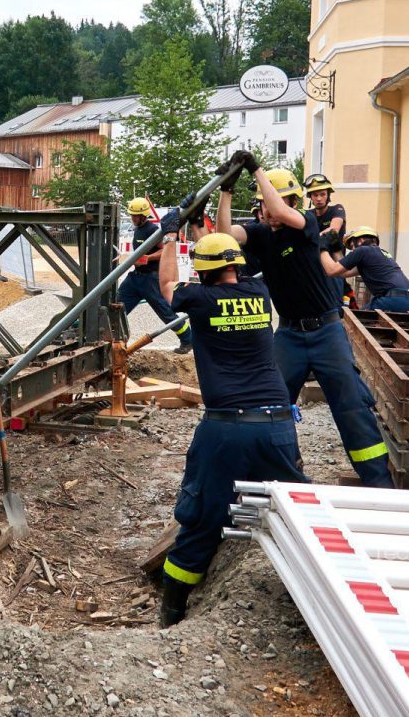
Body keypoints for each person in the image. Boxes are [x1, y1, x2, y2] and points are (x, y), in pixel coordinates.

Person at [155, 180, 308, 627]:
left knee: (202, 515)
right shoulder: (258, 294)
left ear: (201, 273)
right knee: (295, 504)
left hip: (226, 429)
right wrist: (205, 225)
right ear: (237, 268)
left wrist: (169, 235)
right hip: (278, 422)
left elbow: (166, 283)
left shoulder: (198, 299)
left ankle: (173, 614)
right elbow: (218, 255)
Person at [216, 151, 393, 489]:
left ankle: (379, 482)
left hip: (326, 330)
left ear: (293, 201)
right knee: (271, 406)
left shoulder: (306, 225)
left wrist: (256, 169)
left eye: (275, 202)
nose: (269, 211)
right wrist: (226, 190)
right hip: (288, 336)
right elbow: (225, 235)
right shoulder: (261, 235)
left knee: (350, 405)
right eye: (264, 204)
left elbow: (282, 211)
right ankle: (285, 473)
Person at [118, 197, 192, 354]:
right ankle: (115, 341)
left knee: (165, 312)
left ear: (144, 216)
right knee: (117, 307)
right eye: (131, 215)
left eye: (135, 215)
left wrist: (148, 258)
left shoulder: (153, 230)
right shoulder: (138, 229)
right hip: (135, 278)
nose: (132, 218)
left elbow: (166, 250)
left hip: (150, 279)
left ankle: (187, 339)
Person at [322, 227, 409, 316]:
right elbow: (343, 273)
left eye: (352, 245)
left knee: (355, 320)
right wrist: (336, 250)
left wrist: (321, 248)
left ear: (360, 240)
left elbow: (331, 271)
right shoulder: (382, 254)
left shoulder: (362, 251)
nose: (352, 250)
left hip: (393, 301)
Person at [304, 173, 354, 307]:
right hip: (315, 269)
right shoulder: (308, 215)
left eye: (322, 194)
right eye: (315, 195)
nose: (319, 198)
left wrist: (311, 238)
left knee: (336, 306)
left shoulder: (337, 209)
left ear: (328, 196)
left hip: (335, 267)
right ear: (311, 197)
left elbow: (333, 230)